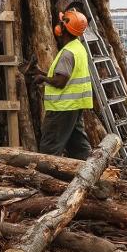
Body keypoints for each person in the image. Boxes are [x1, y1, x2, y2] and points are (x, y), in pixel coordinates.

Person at [30, 10, 94, 160]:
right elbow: (66, 76)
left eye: (62, 22)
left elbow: (60, 82)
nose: (58, 24)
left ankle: (47, 178)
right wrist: (43, 74)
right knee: (77, 145)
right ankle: (90, 170)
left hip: (62, 107)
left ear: (64, 28)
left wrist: (43, 79)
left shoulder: (67, 53)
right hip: (74, 105)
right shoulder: (78, 48)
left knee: (49, 147)